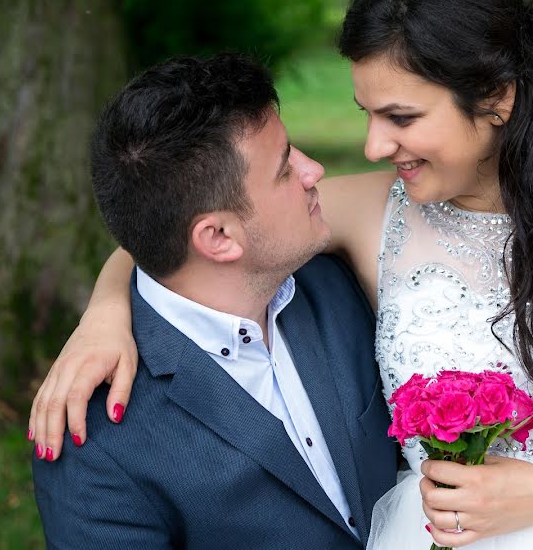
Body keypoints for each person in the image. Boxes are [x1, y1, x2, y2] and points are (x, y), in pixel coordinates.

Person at [30, 0, 533, 548]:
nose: (370, 143)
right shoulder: (372, 214)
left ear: (497, 99)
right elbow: (188, 229)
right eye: (366, 112)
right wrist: (105, 314)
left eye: (400, 115)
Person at [30, 53, 398, 549]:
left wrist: (106, 302)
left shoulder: (337, 281)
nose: (314, 170)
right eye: (285, 167)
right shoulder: (97, 439)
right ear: (219, 237)